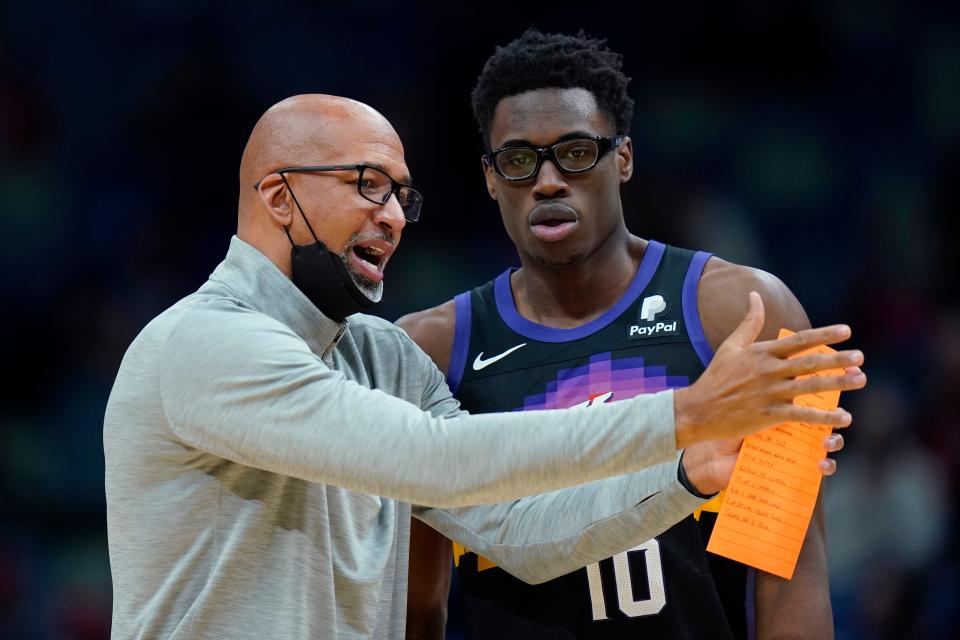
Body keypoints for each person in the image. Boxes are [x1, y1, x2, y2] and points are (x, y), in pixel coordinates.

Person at [103, 93, 864, 639]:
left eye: (402, 195)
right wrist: (685, 416)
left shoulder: (383, 355)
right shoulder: (206, 344)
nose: (394, 215)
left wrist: (689, 472)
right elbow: (434, 460)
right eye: (367, 185)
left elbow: (513, 530)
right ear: (278, 194)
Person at [400, 30, 855, 639]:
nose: (548, 181)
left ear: (624, 158)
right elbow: (417, 606)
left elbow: (789, 569)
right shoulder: (426, 350)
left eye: (577, 152)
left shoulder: (744, 311)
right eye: (517, 160)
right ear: (489, 178)